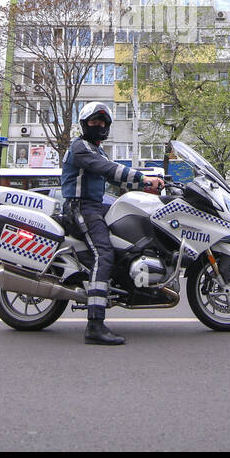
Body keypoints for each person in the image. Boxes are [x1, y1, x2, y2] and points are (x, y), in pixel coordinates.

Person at [61, 101, 161, 345]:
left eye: (103, 122)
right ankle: (95, 324)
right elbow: (106, 169)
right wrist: (141, 176)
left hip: (94, 205)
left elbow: (116, 179)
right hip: (81, 206)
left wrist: (150, 183)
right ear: (85, 124)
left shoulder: (97, 149)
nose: (100, 125)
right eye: (95, 121)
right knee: (103, 253)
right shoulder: (80, 147)